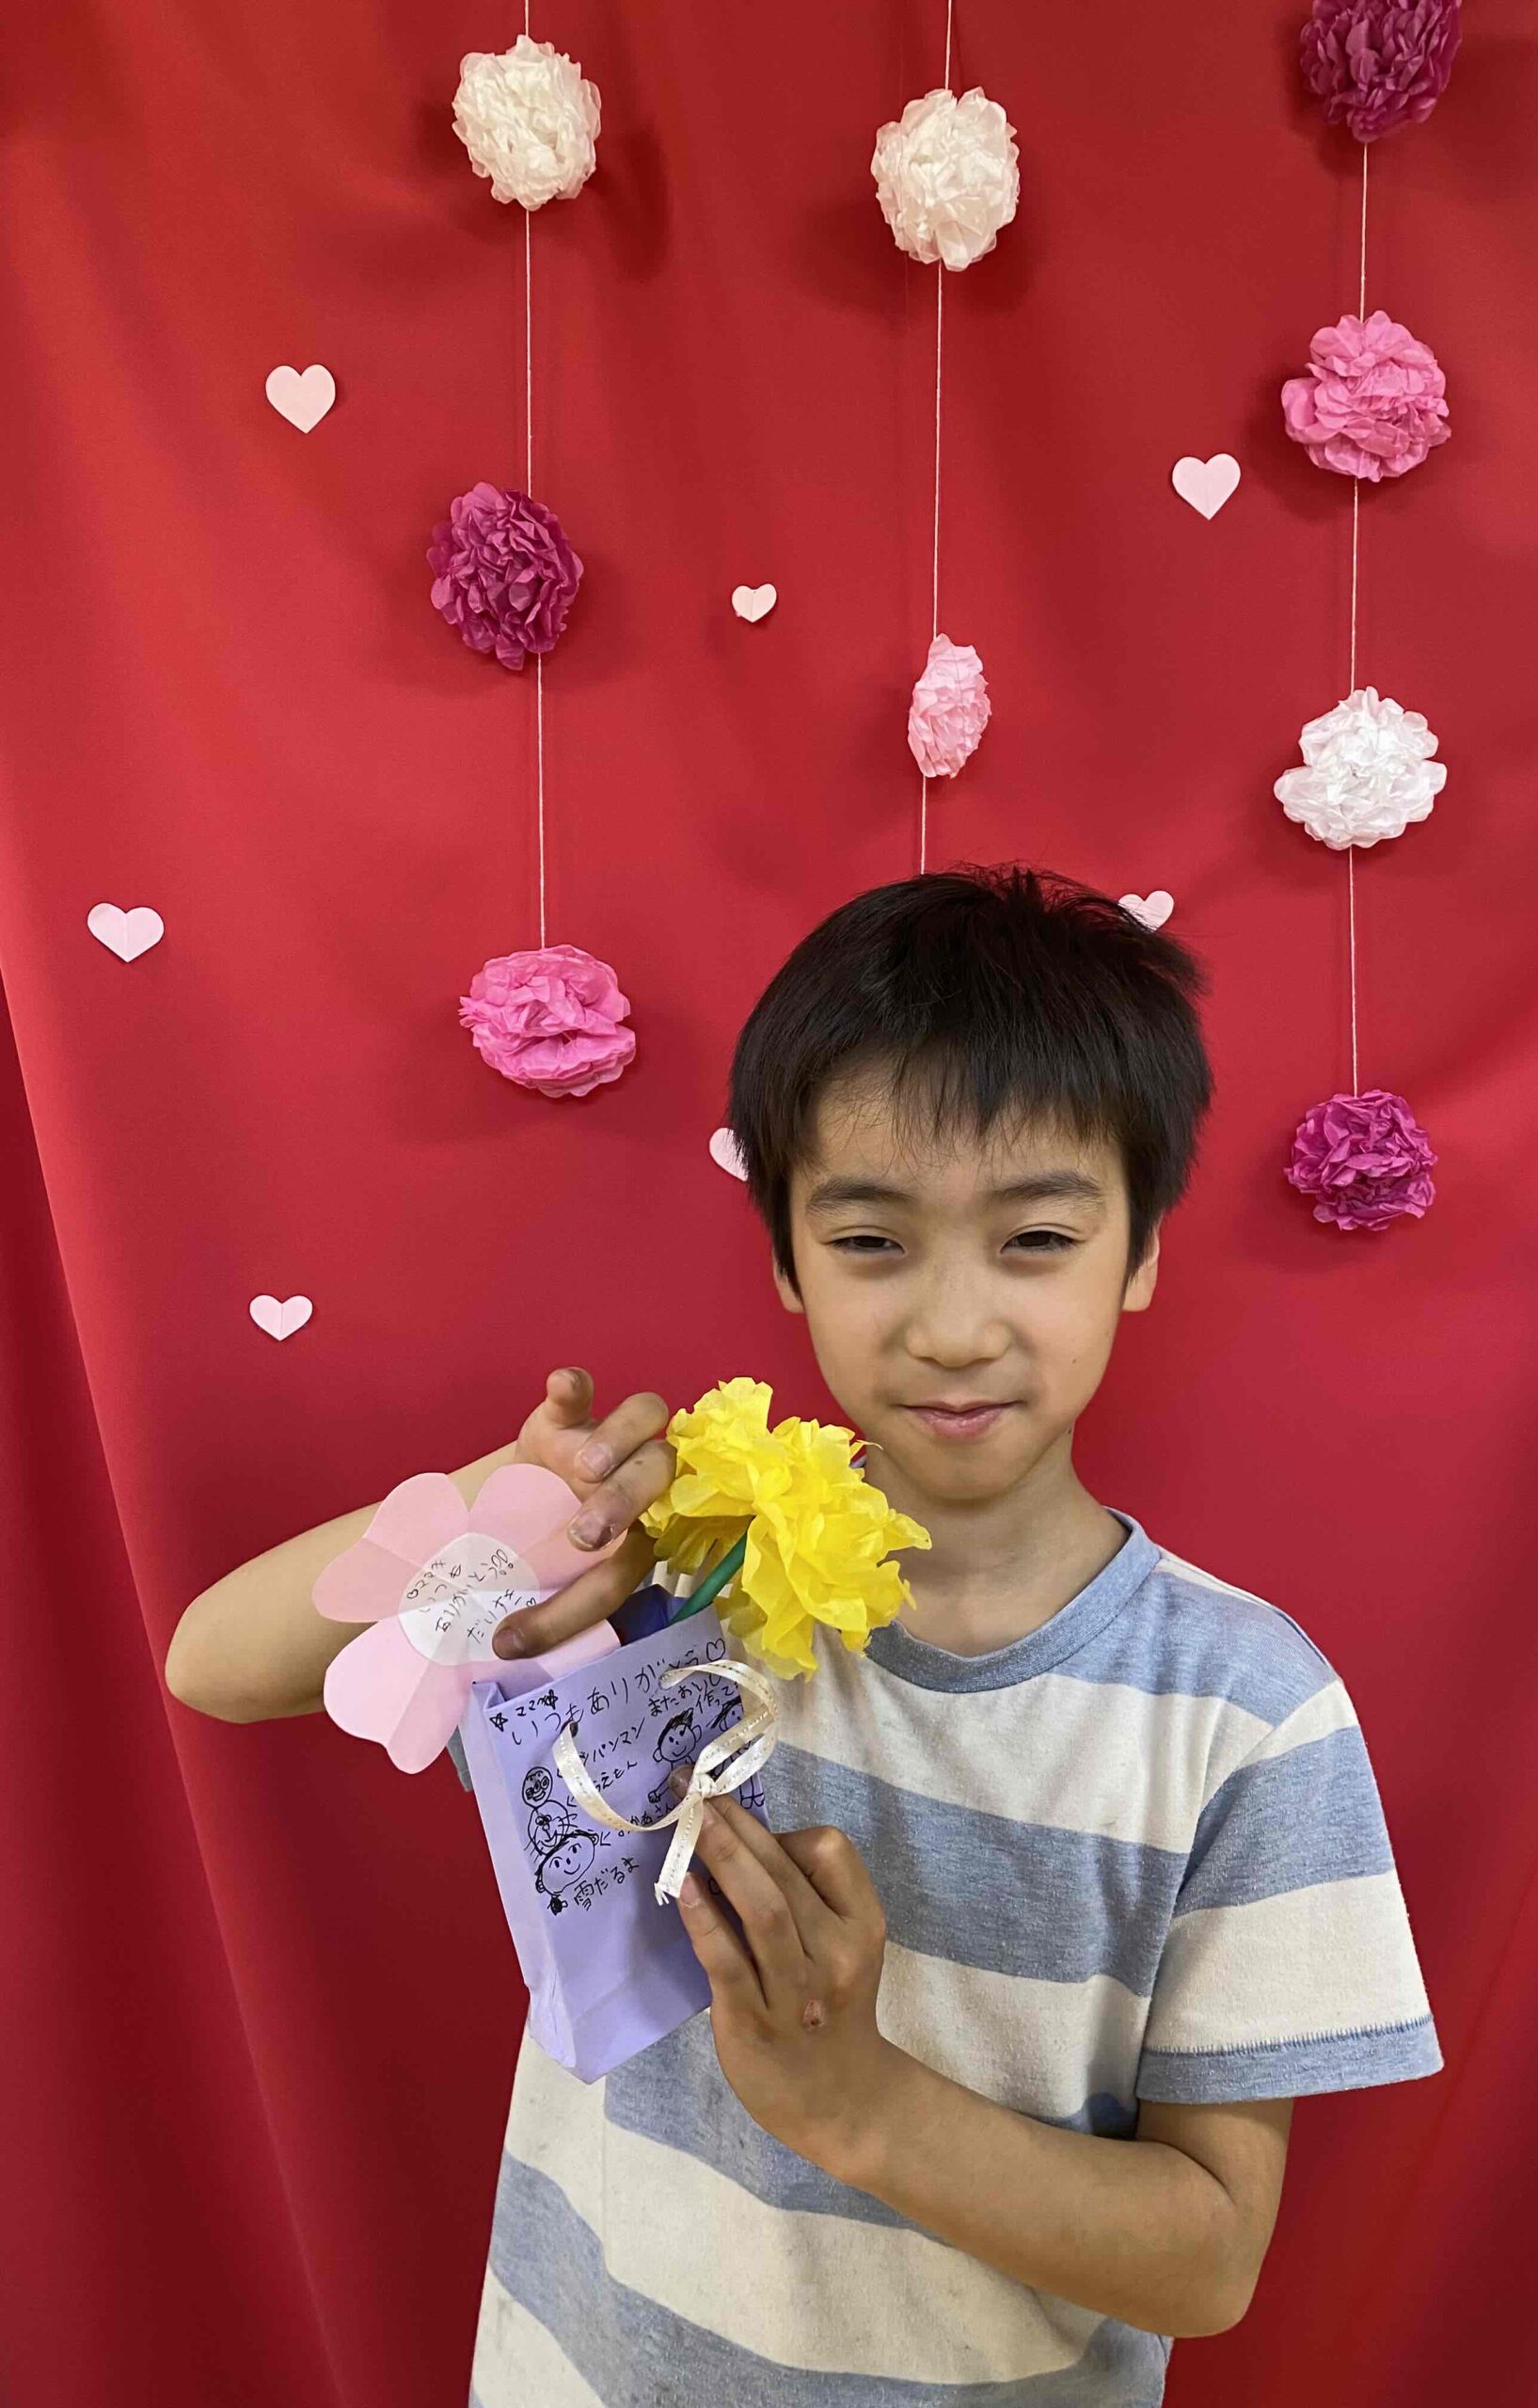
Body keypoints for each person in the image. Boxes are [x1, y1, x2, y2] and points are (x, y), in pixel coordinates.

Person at [166, 864, 1443, 2406]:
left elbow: (1209, 2262)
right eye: (872, 1242)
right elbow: (214, 1665)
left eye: (1038, 1238)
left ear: (1143, 1249)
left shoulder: (1248, 1709)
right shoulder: (682, 1576)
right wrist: (512, 1514)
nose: (954, 1327)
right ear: (784, 1254)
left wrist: (855, 2106)